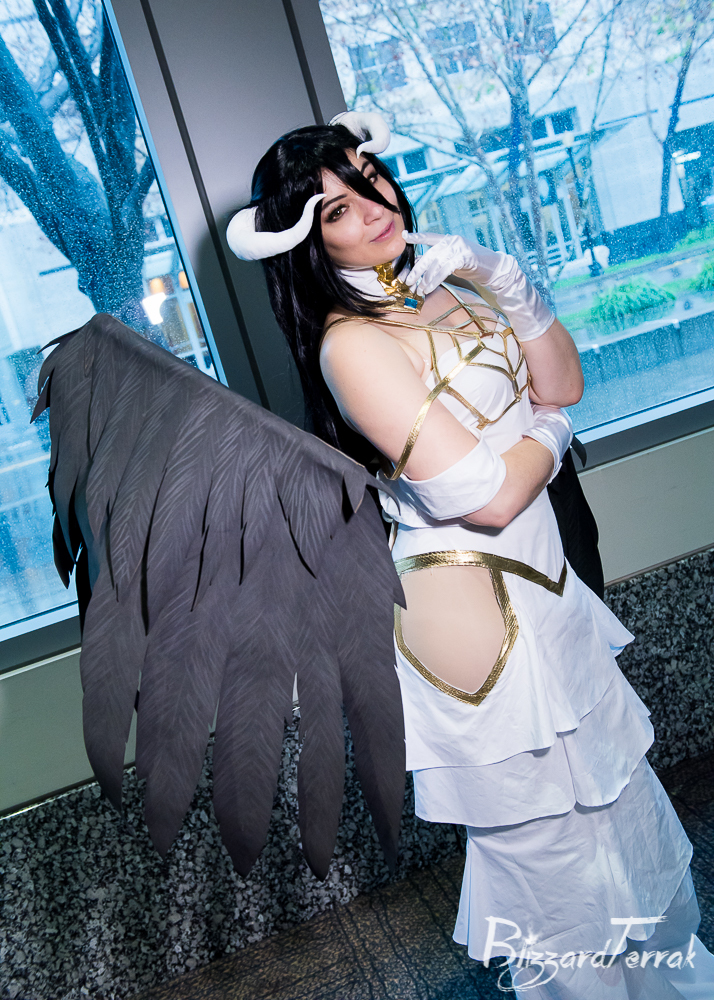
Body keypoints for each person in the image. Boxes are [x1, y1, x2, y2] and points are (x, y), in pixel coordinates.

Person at [227, 111, 714, 998]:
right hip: (470, 612)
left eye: (367, 177)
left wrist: (505, 279)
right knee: (551, 863)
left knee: (624, 817)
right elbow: (486, 496)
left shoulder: (445, 281)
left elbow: (562, 379)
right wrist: (553, 432)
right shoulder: (350, 343)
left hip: (545, 588)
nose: (371, 205)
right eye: (335, 209)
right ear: (308, 242)